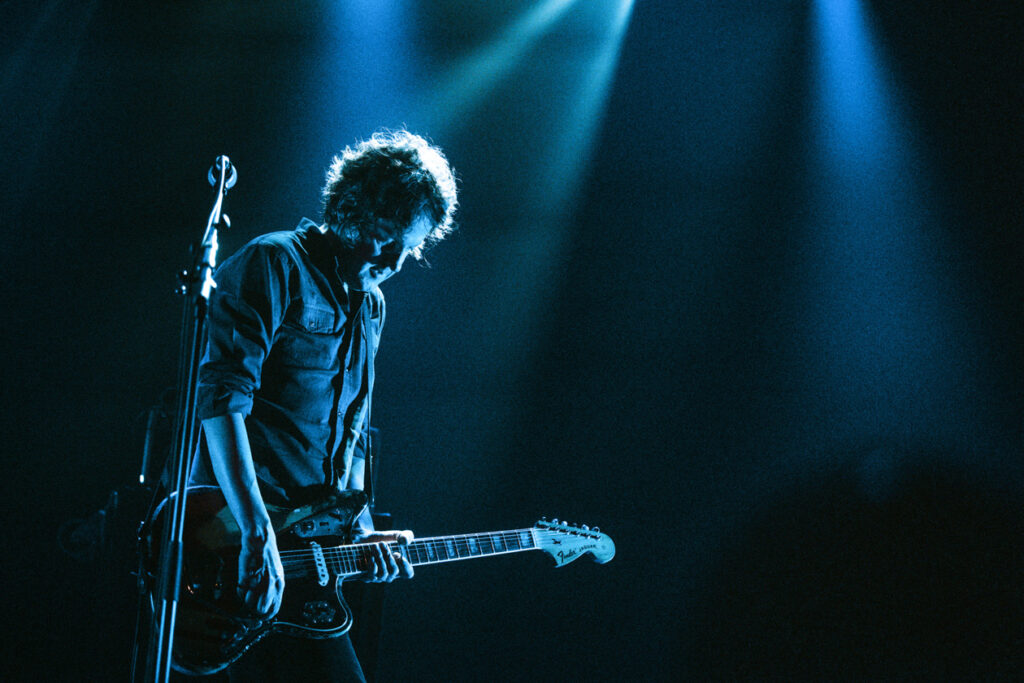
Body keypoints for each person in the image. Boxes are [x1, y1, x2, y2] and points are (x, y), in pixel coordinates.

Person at [190, 130, 458, 681]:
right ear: (351, 210)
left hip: (305, 554)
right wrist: (257, 532)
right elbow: (220, 400)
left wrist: (359, 531)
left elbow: (352, 435)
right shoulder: (274, 262)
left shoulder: (372, 307)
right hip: (230, 536)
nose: (395, 262)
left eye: (409, 249)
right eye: (386, 238)